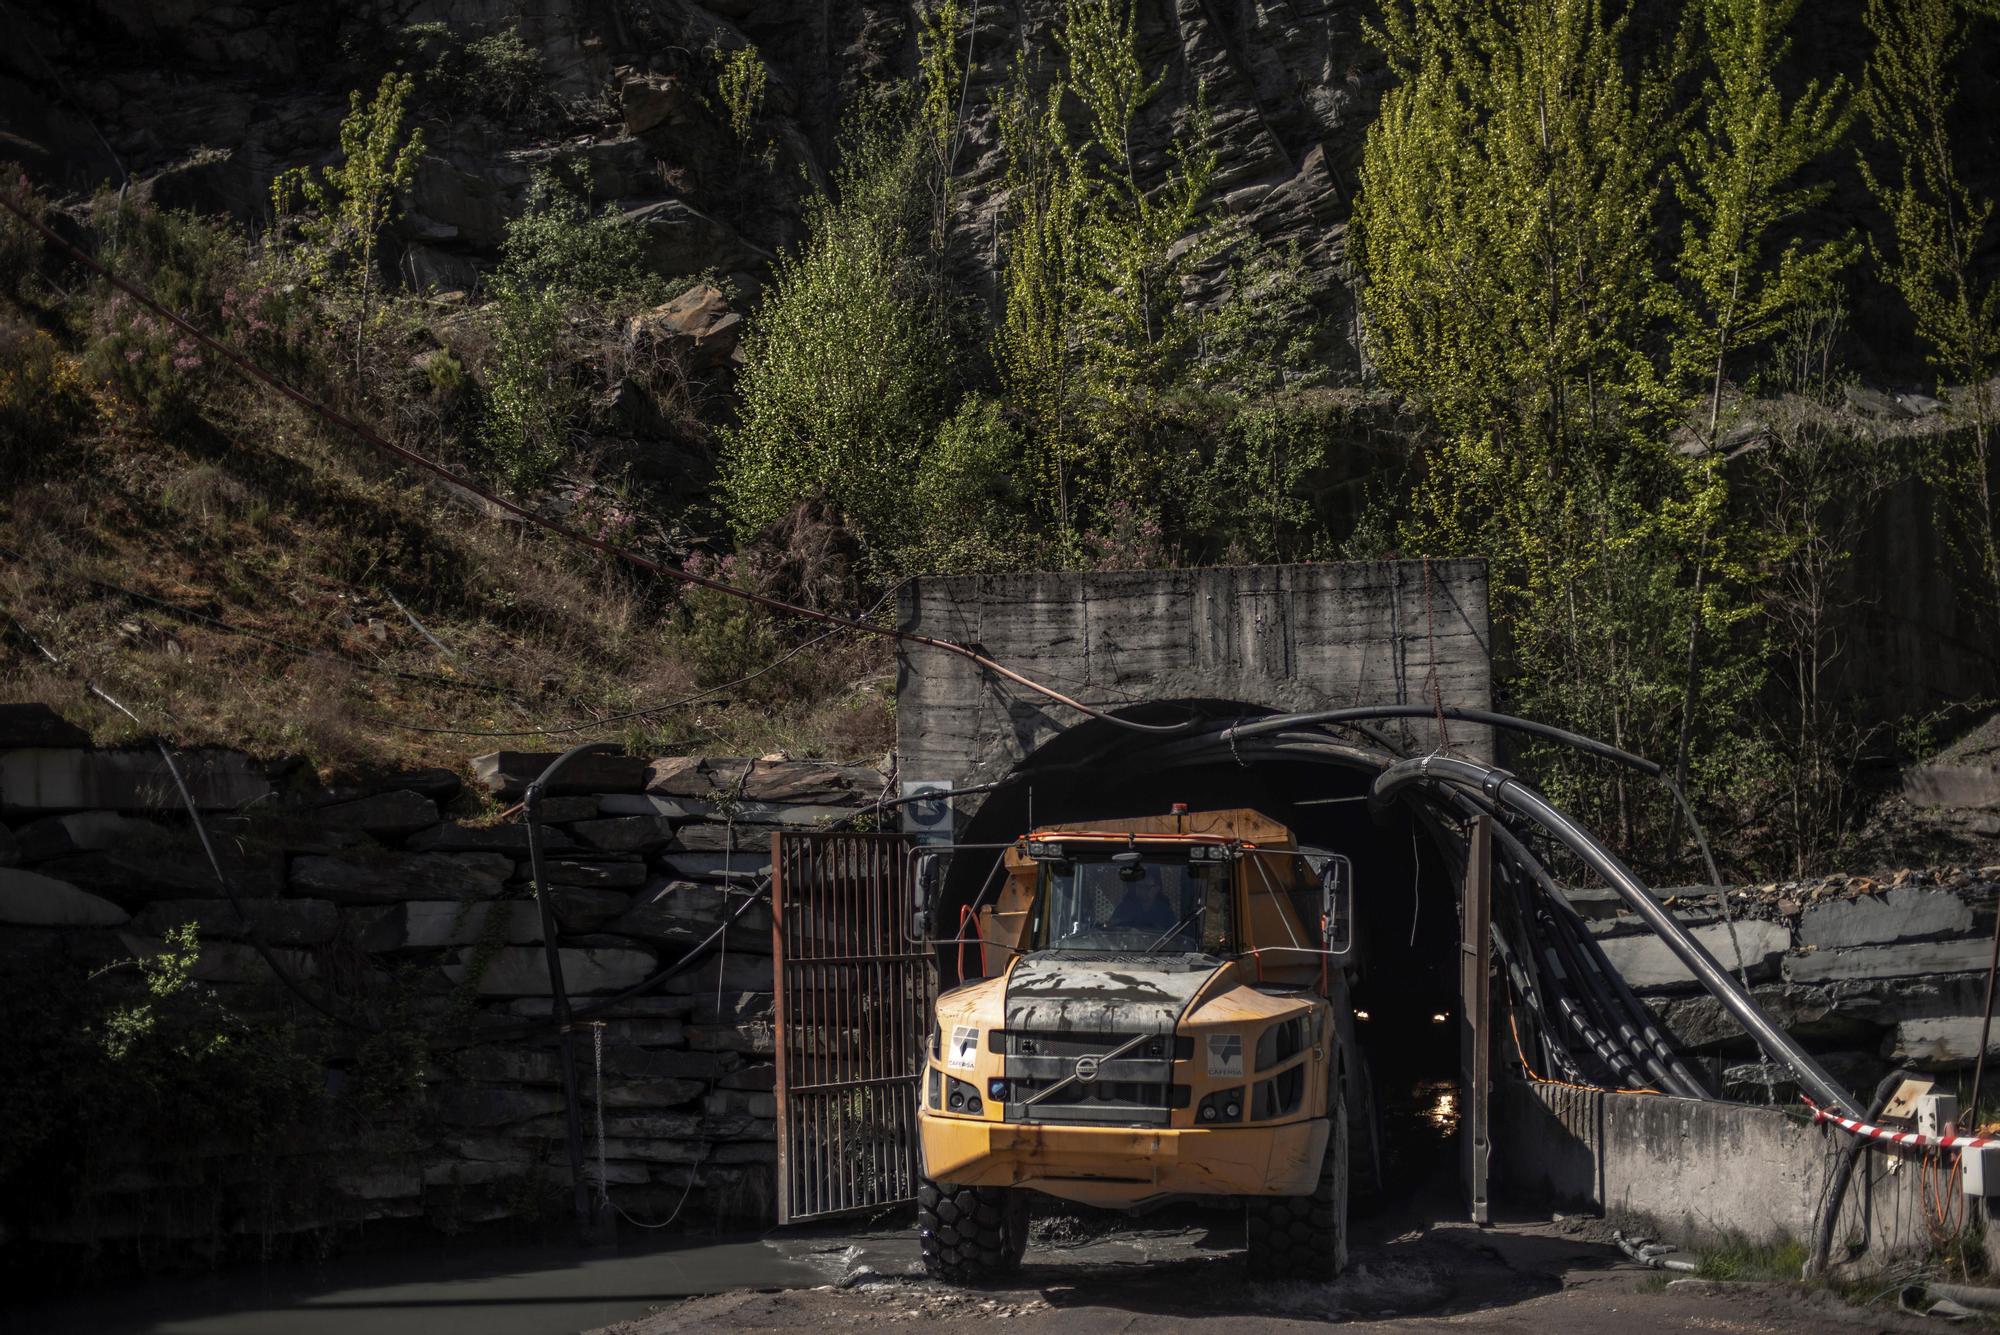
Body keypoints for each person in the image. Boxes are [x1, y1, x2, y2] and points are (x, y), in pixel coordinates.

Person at [1108, 873, 1180, 932]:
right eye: (1139, 886)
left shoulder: (1165, 911)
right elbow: (1111, 928)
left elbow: (1173, 934)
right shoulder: (1124, 908)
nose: (1143, 890)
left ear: (1157, 888)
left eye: (1147, 887)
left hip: (1157, 948)